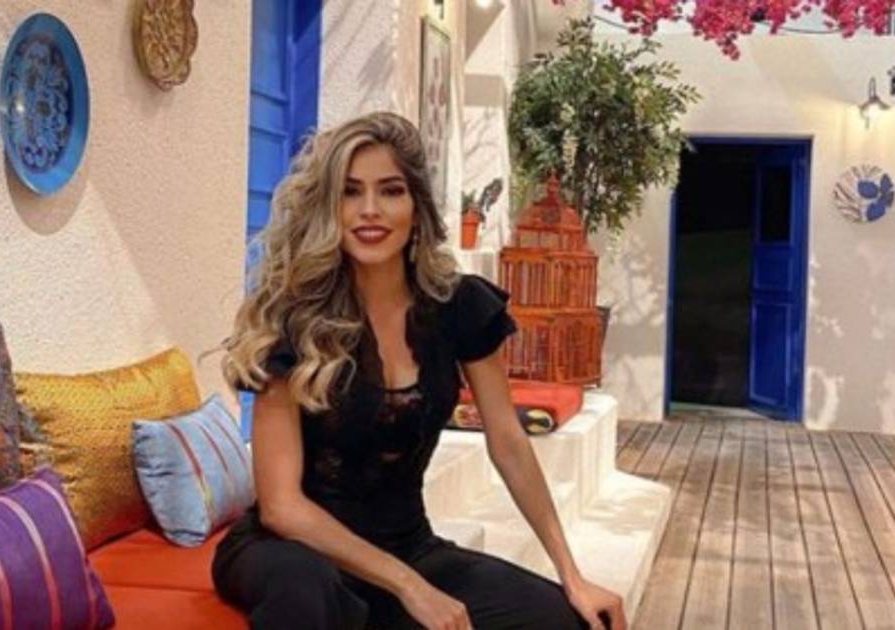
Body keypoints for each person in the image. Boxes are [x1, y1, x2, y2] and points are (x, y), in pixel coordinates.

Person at [213, 111, 626, 630]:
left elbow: (509, 444)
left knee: (562, 620)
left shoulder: (459, 307)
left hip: (408, 544)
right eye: (350, 192)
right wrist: (410, 587)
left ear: (416, 206)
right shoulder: (294, 321)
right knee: (306, 594)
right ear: (329, 208)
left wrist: (572, 575)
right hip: (291, 550)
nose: (369, 210)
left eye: (390, 191)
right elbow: (280, 507)